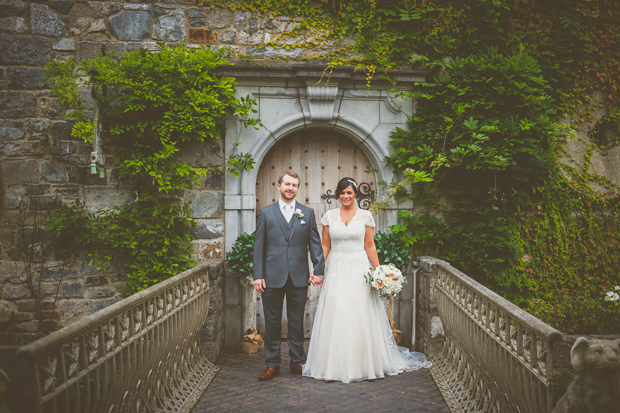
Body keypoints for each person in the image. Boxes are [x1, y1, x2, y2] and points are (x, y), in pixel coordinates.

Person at [302, 177, 431, 383]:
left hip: (359, 269)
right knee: (336, 311)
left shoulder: (365, 217)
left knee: (359, 311)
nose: (345, 196)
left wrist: (379, 271)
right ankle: (333, 364)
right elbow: (325, 245)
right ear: (338, 195)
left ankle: (364, 363)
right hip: (336, 269)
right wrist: (318, 269)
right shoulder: (329, 216)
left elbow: (369, 246)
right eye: (342, 193)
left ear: (355, 195)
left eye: (349, 193)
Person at [253, 171, 325, 381]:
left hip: (298, 276)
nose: (290, 188)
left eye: (294, 185)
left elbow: (315, 245)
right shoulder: (265, 213)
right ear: (278, 186)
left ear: (297, 188)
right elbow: (259, 247)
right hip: (271, 275)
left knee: (296, 321)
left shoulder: (307, 213)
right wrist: (258, 275)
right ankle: (272, 364)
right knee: (272, 321)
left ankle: (297, 362)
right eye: (287, 184)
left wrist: (318, 270)